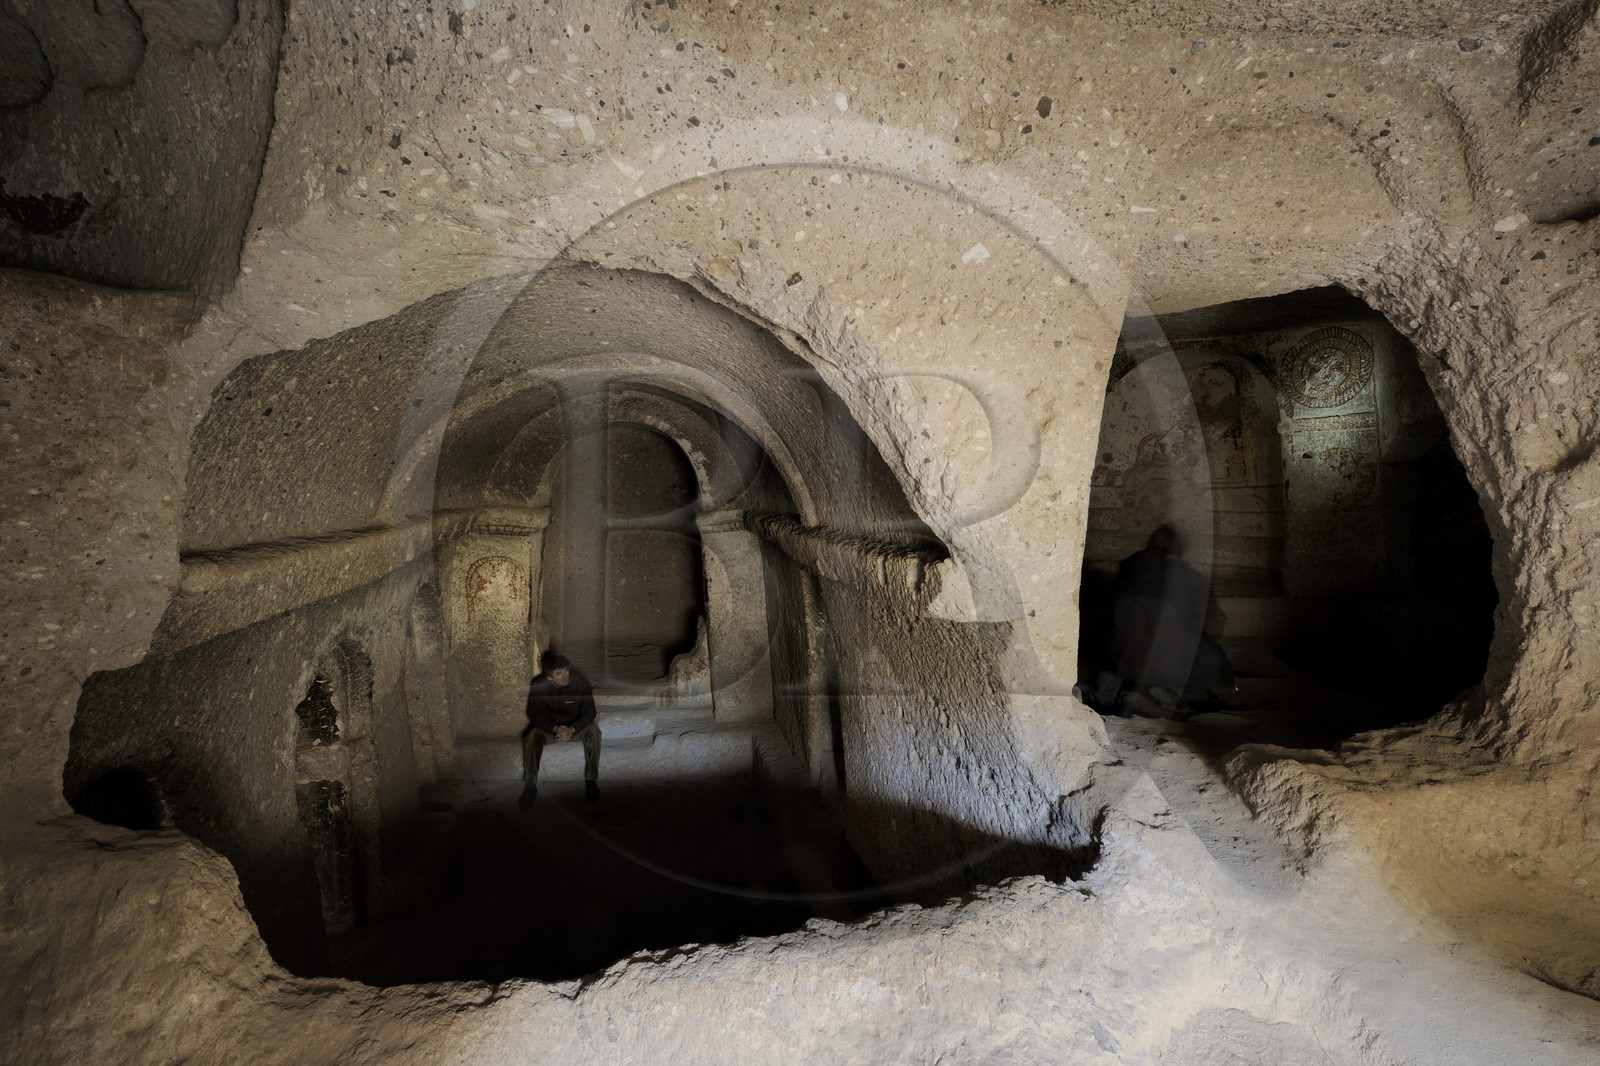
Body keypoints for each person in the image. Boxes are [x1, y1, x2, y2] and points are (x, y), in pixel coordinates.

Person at [1104, 525, 1233, 718]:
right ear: (1182, 550)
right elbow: (1211, 626)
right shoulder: (1193, 580)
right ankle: (1169, 694)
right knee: (1215, 656)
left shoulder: (1129, 570)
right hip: (1165, 661)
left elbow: (1108, 616)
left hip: (1119, 657)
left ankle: (1111, 695)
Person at [517, 654, 601, 808]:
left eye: (566, 670)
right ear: (549, 678)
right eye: (558, 673)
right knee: (532, 736)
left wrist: (572, 729)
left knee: (594, 731)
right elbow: (534, 714)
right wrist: (554, 728)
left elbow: (590, 711)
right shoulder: (539, 686)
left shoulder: (581, 683)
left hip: (575, 728)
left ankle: (591, 779)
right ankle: (530, 785)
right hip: (552, 729)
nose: (565, 676)